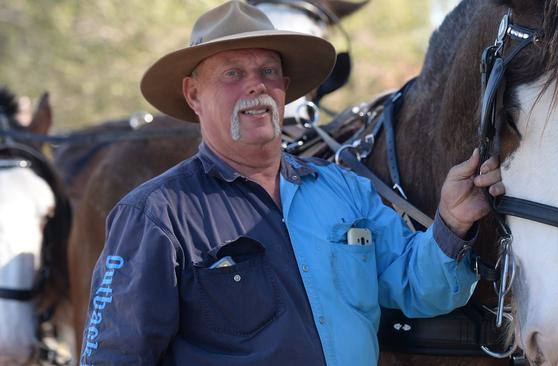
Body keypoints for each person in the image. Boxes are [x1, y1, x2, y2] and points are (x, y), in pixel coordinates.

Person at [79, 1, 504, 365]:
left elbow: (417, 286)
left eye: (268, 70)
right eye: (232, 73)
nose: (256, 86)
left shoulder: (345, 190)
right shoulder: (155, 215)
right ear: (193, 95)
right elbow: (114, 355)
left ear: (284, 88)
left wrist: (451, 223)